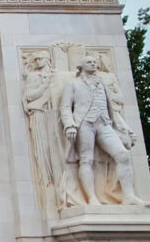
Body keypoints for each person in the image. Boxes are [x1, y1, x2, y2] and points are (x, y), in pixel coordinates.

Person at [59, 54, 144, 206]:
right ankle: (92, 198)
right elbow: (65, 107)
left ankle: (129, 196)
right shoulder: (73, 84)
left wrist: (123, 127)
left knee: (123, 155)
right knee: (86, 159)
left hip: (104, 123)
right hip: (84, 123)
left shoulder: (101, 83)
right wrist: (69, 125)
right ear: (81, 66)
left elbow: (112, 110)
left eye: (94, 62)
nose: (93, 64)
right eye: (89, 62)